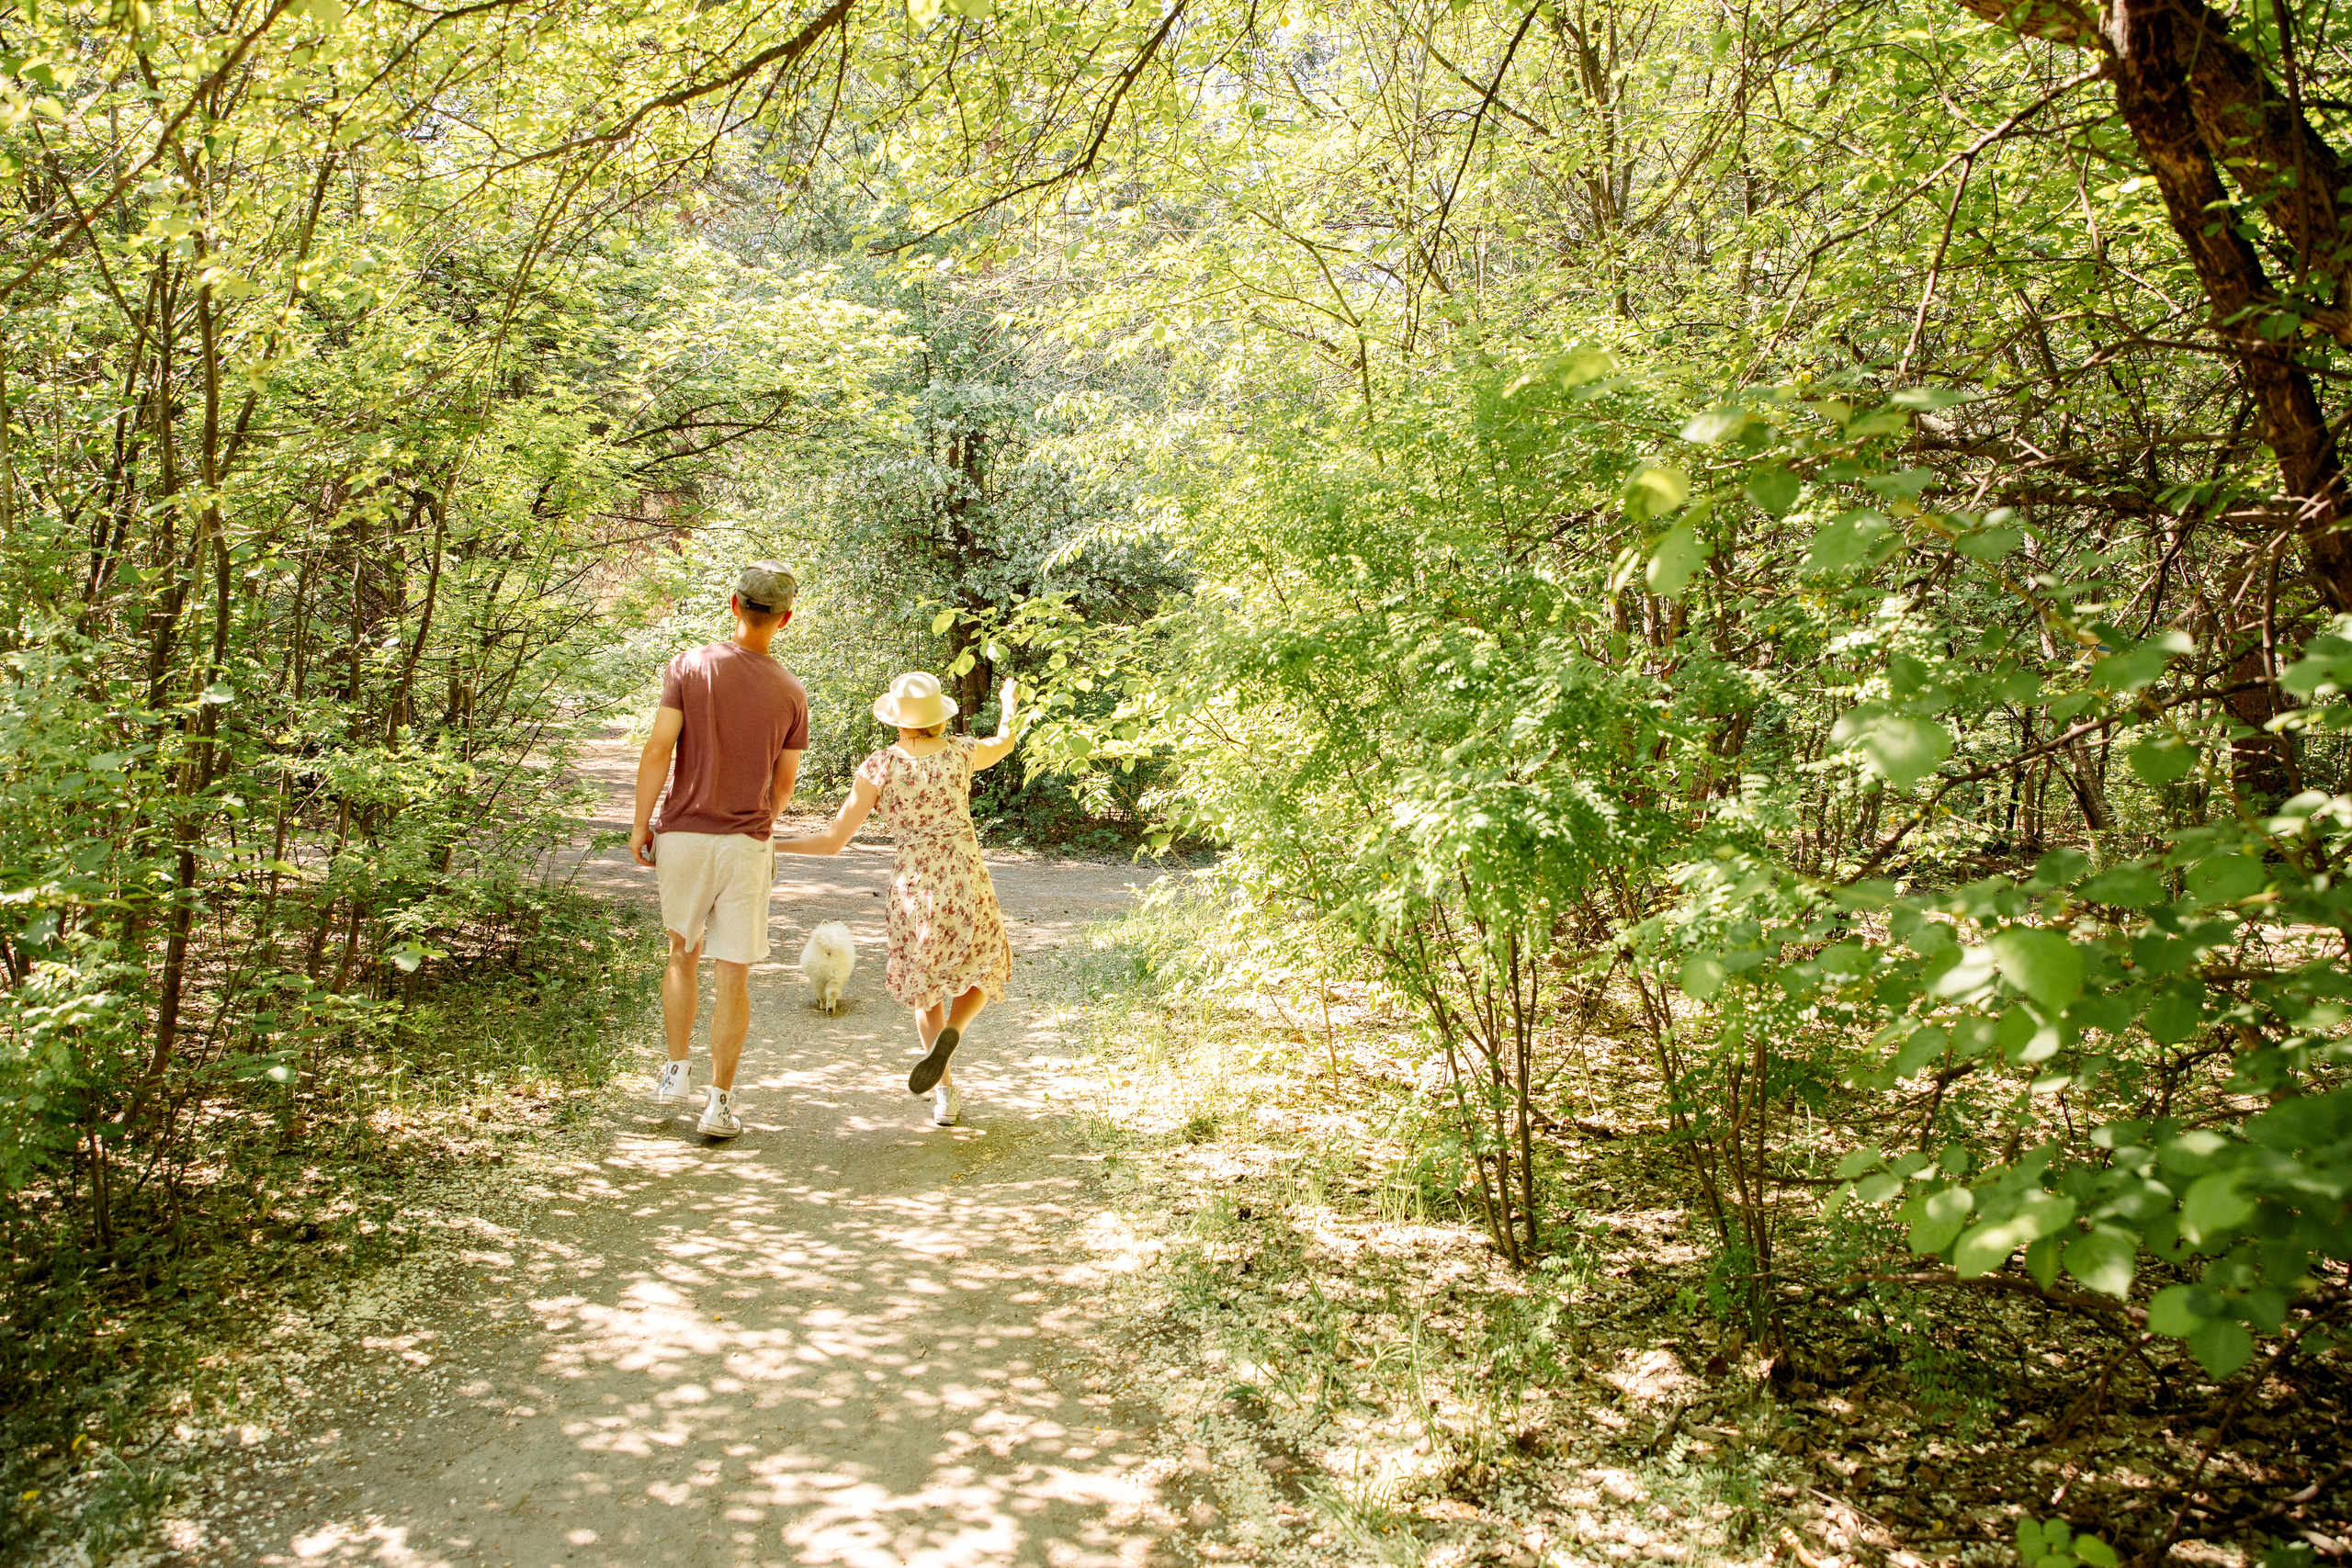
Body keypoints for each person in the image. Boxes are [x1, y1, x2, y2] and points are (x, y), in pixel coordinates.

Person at [777, 671, 1018, 1127]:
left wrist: (773, 843)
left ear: (897, 720)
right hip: (966, 879)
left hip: (915, 890)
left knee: (925, 991)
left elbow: (833, 840)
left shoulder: (880, 766)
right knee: (985, 965)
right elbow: (1004, 742)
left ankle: (944, 1093)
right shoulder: (962, 753)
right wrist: (1009, 702)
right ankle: (956, 1030)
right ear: (937, 717)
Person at [629, 563, 808, 1139]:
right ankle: (720, 1104)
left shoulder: (689, 666)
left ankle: (675, 1070)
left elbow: (660, 749)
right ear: (785, 619)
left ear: (734, 604)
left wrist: (641, 825)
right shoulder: (791, 692)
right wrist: (762, 821)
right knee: (734, 973)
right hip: (746, 844)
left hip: (682, 836)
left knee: (682, 950)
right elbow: (784, 785)